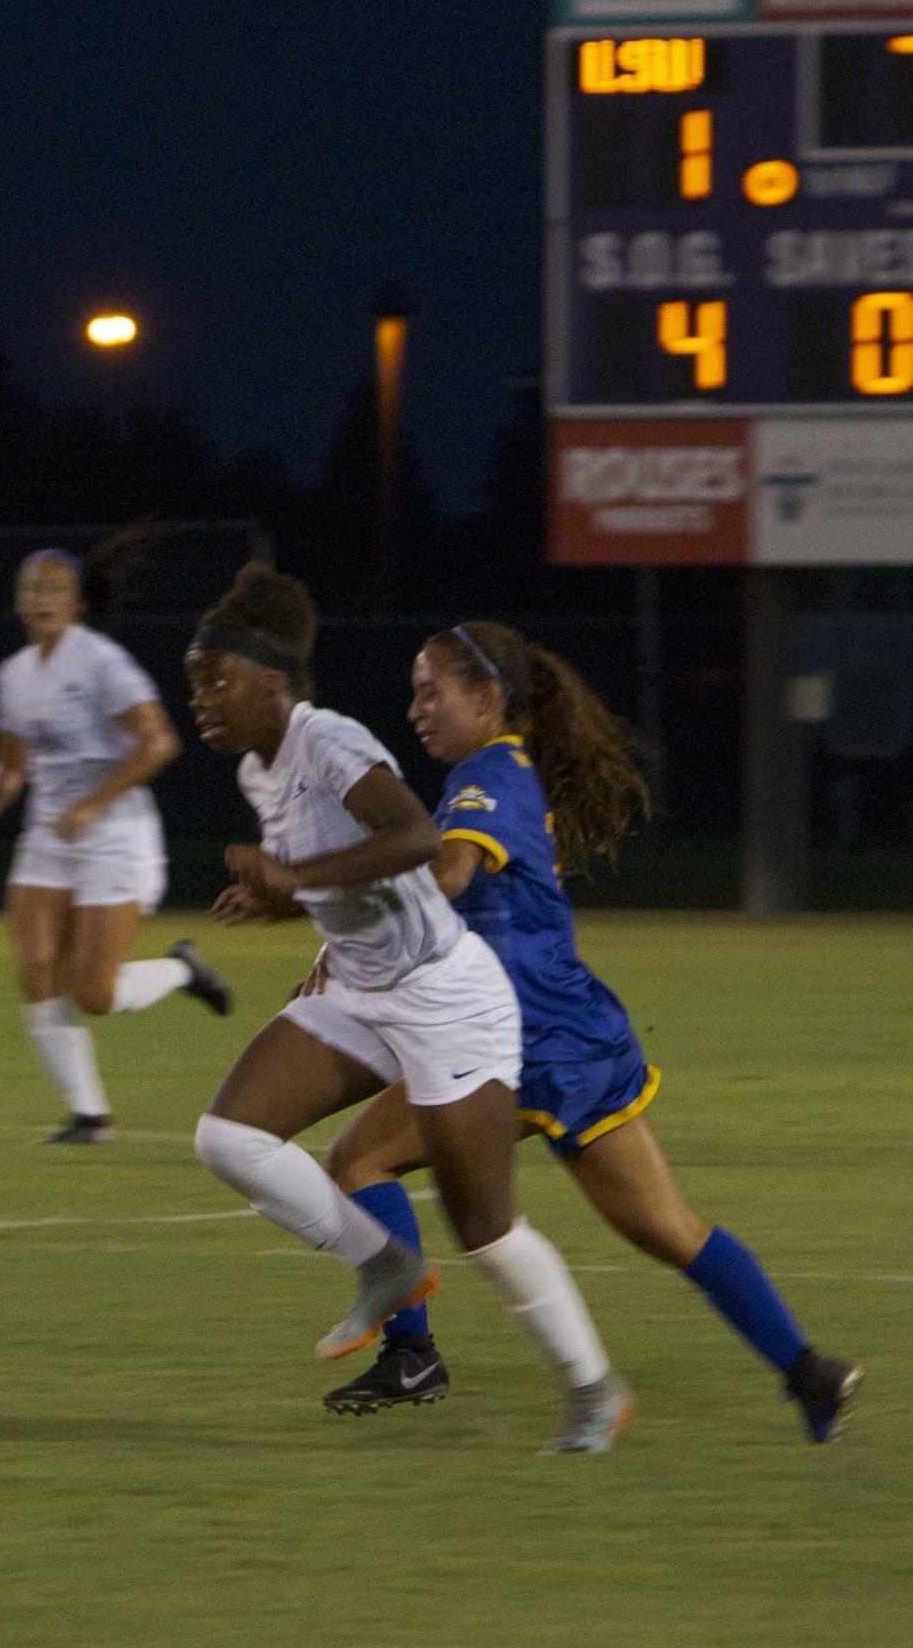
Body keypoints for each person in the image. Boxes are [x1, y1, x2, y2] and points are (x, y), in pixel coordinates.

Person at [317, 619, 861, 1444]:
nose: (416, 707)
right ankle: (808, 1371)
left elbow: (453, 872)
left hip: (513, 1038)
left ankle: (415, 1354)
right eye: (414, 691)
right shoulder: (508, 770)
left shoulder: (485, 773)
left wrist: (349, 916)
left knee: (360, 1160)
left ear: (488, 698)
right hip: (581, 1031)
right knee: (670, 1230)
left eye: (433, 690)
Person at [186, 562, 633, 1454]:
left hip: (447, 1000)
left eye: (217, 680)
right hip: (361, 989)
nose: (202, 699)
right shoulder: (257, 767)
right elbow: (339, 878)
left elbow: (416, 838)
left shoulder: (329, 742)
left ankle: (594, 1390)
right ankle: (384, 1261)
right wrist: (283, 902)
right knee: (227, 1137)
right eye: (195, 683)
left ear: (274, 682)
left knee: (485, 1229)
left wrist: (295, 881)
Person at [0, 533, 231, 1144]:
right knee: (35, 969)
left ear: (78, 603)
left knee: (95, 992)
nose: (40, 597)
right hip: (50, 834)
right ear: (18, 602)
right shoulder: (14, 675)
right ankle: (88, 1114)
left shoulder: (103, 662)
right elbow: (10, 765)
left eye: (54, 588)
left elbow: (159, 743)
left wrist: (92, 803)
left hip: (115, 832)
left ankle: (182, 970)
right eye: (31, 587)